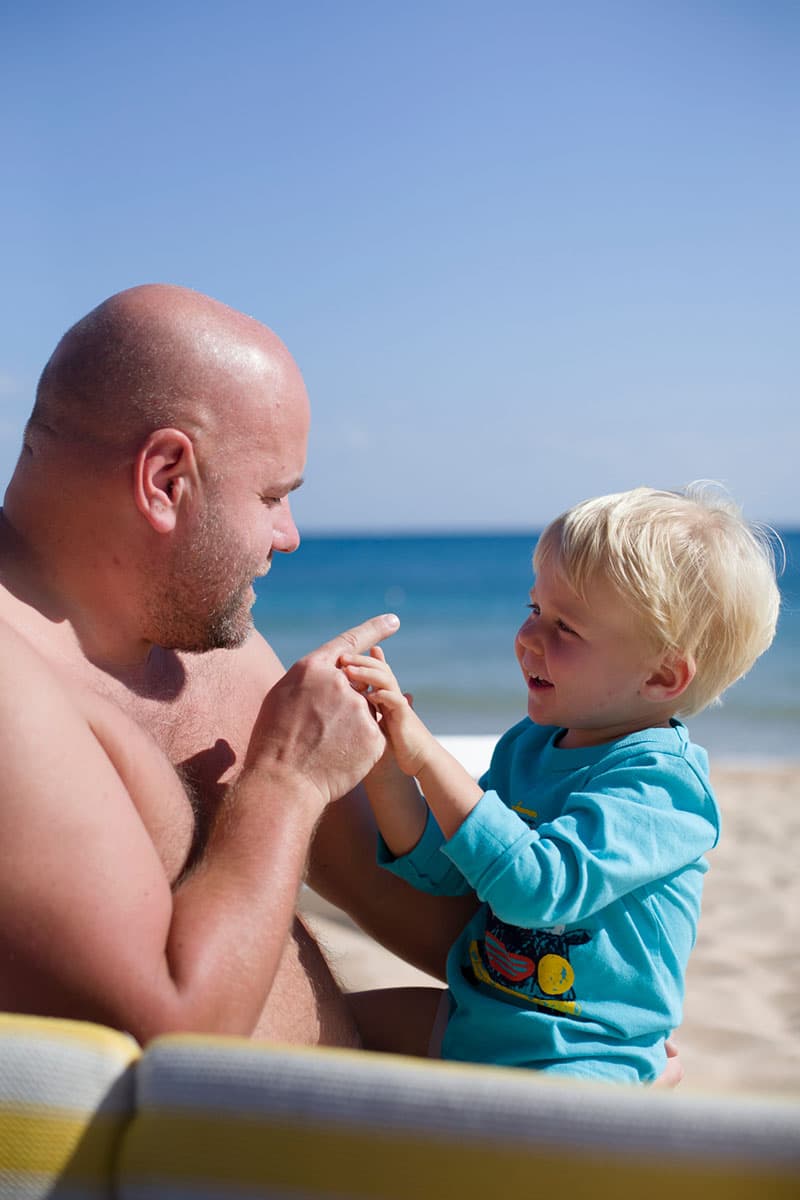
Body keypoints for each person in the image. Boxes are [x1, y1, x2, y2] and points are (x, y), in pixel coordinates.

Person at [0, 282, 470, 1047]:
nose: (289, 536)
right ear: (166, 480)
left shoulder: (214, 655)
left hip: (305, 1138)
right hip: (199, 1161)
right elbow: (166, 1038)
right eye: (273, 495)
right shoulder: (12, 682)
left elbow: (436, 923)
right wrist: (286, 781)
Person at [340, 486, 780, 1083]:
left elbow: (534, 887)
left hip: (577, 1056)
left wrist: (427, 756)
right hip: (480, 1017)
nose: (528, 639)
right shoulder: (529, 745)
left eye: (565, 628)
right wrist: (386, 757)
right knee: (321, 1022)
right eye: (533, 611)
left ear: (662, 674)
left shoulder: (662, 787)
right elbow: (445, 869)